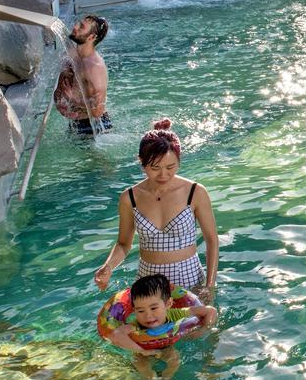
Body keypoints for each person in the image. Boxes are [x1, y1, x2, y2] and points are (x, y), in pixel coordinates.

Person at [94, 119, 220, 296]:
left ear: (179, 160)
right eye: (155, 168)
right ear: (141, 162)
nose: (163, 174)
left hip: (190, 279)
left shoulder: (195, 192)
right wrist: (108, 266)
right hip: (148, 285)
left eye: (170, 167)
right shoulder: (130, 198)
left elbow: (212, 240)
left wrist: (210, 285)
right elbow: (123, 244)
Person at [104, 273, 218, 380]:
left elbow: (210, 311)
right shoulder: (136, 324)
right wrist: (142, 351)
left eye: (153, 308)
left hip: (167, 346)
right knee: (140, 363)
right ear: (133, 310)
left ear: (168, 304)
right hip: (143, 349)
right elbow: (116, 335)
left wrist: (203, 329)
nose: (148, 316)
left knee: (174, 358)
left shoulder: (175, 314)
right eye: (140, 310)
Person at [54, 14, 111, 134]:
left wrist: (73, 99)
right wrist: (61, 105)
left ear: (91, 37)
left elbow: (97, 111)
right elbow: (59, 92)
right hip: (76, 124)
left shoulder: (94, 67)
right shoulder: (70, 57)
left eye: (81, 27)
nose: (75, 27)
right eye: (78, 23)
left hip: (94, 129)